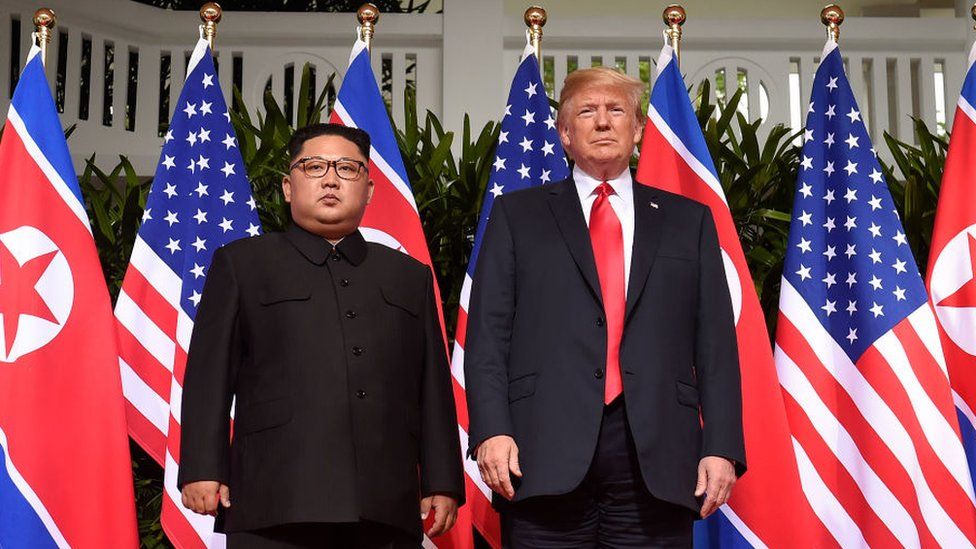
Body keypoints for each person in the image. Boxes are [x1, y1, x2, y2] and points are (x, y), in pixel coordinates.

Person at [465, 66, 746, 547]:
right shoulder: (517, 215)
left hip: (656, 453)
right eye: (586, 111)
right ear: (564, 133)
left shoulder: (688, 221)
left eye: (616, 110)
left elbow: (716, 344)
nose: (602, 122)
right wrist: (491, 430)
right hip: (539, 450)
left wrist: (721, 446)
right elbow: (488, 336)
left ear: (637, 130)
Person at [178, 123, 464, 548]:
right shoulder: (243, 264)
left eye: (347, 169)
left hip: (384, 502)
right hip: (274, 499)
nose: (331, 179)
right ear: (288, 187)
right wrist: (203, 466)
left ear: (368, 190)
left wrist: (442, 479)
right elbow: (208, 376)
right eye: (314, 167)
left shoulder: (408, 275)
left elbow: (432, 387)